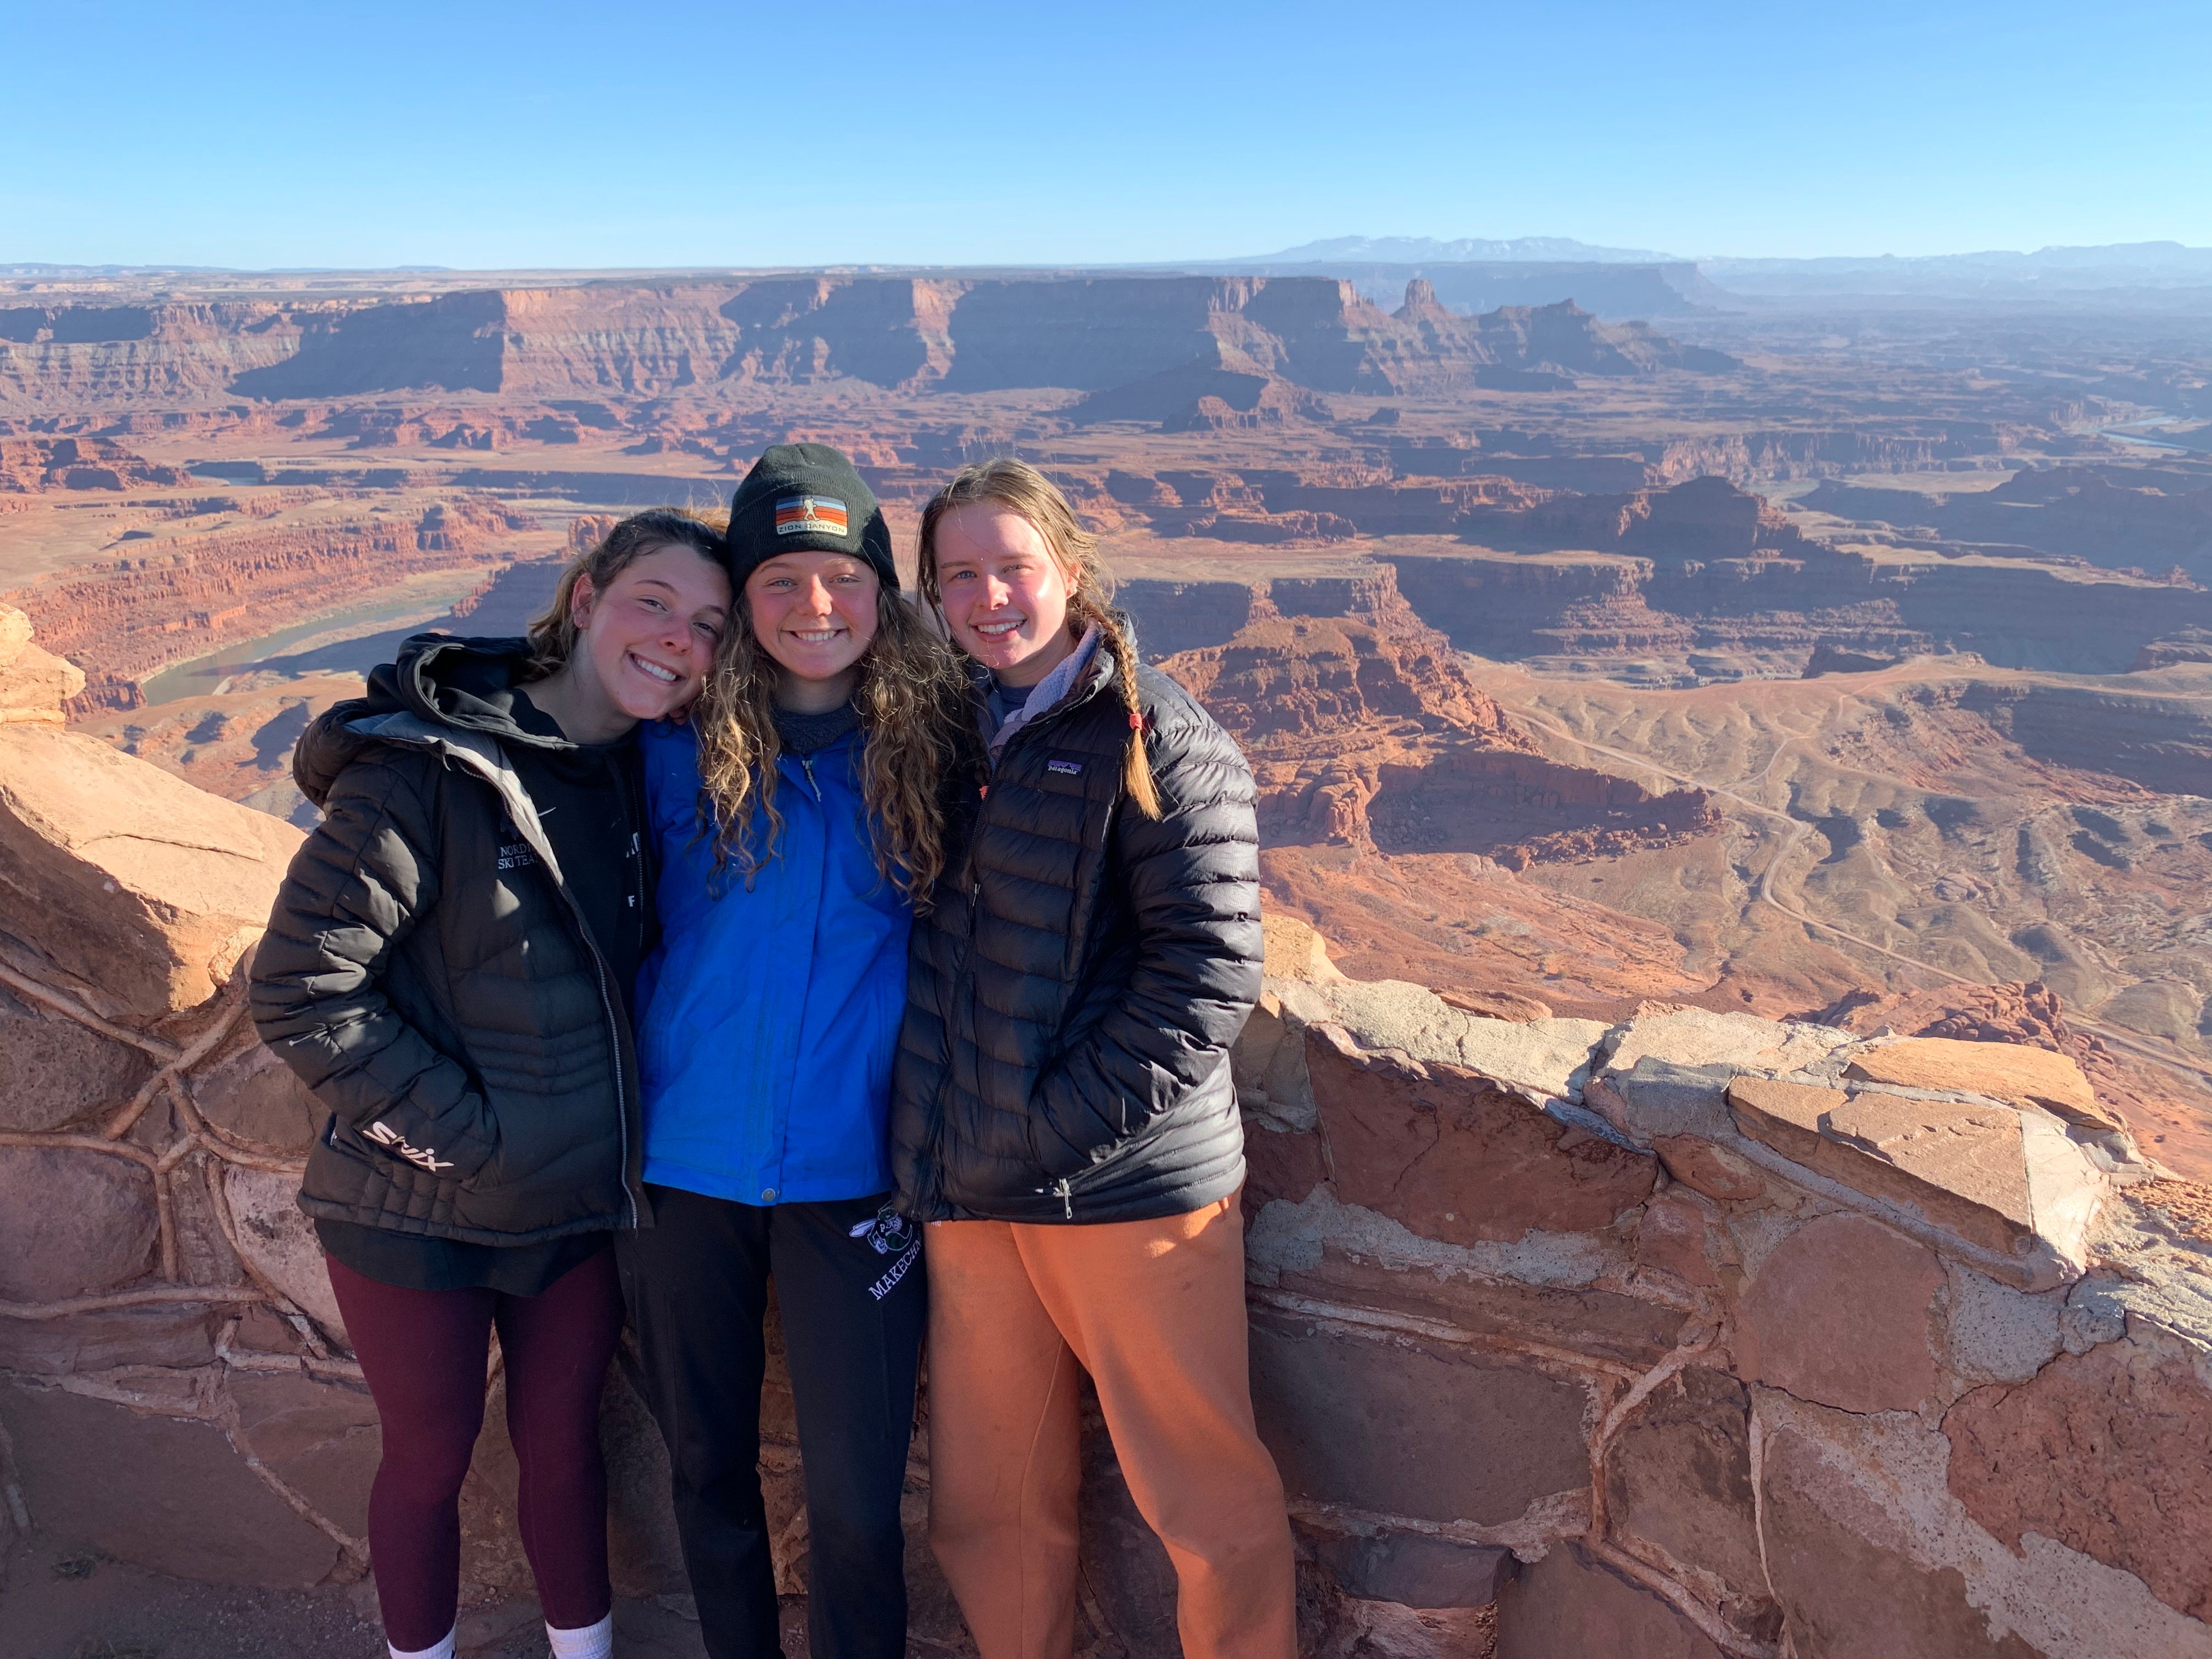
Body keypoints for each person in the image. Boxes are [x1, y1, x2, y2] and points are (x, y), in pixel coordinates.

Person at [250, 510, 732, 1659]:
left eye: (709, 625)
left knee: (566, 1449)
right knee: (429, 1458)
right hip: (413, 1212)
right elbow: (302, 986)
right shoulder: (428, 770)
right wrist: (463, 1139)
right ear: (584, 600)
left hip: (573, 1207)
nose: (678, 638)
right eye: (653, 602)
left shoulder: (655, 778)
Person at [893, 458, 1296, 1658]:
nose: (986, 596)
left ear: (1070, 569)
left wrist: (1052, 1126)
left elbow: (1208, 973)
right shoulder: (951, 725)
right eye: (956, 575)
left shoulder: (1159, 736)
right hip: (974, 1191)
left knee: (1204, 1503)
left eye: (1012, 566)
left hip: (1123, 1192)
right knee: (989, 1508)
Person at [617, 444, 978, 1659]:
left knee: (858, 1503)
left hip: (856, 1182)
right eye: (778, 580)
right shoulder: (664, 752)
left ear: (884, 593)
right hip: (681, 1172)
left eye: (842, 578)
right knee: (708, 1472)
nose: (814, 609)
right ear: (740, 597)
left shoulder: (937, 758)